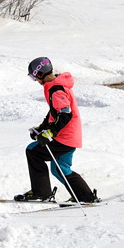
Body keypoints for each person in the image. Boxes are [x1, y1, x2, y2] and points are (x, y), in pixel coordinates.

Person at [16, 58, 98, 203]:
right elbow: (54, 112)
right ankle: (85, 196)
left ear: (40, 74)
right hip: (71, 136)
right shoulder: (56, 86)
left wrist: (50, 132)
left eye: (34, 77)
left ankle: (41, 192)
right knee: (60, 169)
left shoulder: (56, 90)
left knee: (33, 152)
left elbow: (65, 114)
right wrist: (42, 128)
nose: (35, 80)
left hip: (65, 137)